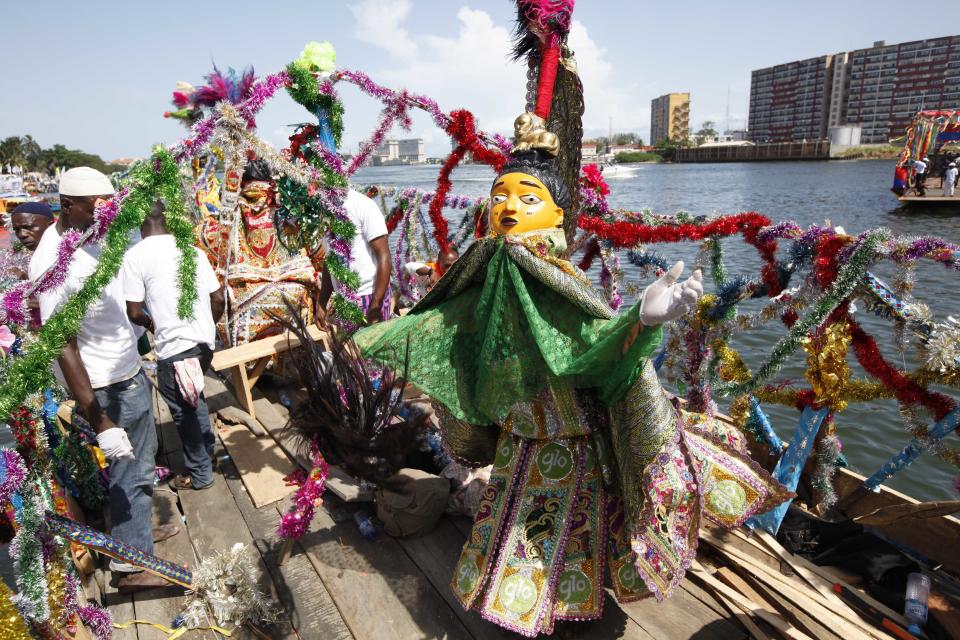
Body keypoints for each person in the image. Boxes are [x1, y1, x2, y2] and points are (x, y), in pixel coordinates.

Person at [354, 114, 789, 635]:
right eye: (499, 196)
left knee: (573, 522)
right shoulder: (485, 267)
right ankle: (532, 603)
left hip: (573, 432)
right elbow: (452, 322)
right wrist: (388, 335)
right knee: (525, 524)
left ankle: (565, 603)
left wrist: (642, 321)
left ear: (558, 215)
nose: (508, 206)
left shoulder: (562, 278)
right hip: (521, 431)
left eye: (527, 198)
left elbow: (598, 347)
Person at [29, 167, 175, 593]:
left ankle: (134, 535)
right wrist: (97, 417)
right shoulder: (52, 263)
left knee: (142, 460)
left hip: (129, 367)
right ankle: (132, 569)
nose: (105, 211)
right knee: (129, 467)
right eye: (97, 203)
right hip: (106, 385)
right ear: (68, 204)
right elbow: (62, 343)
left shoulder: (94, 230)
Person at [123, 201, 225, 491]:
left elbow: (134, 313)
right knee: (194, 398)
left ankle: (201, 473)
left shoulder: (135, 257)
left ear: (139, 222)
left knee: (183, 410)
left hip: (175, 348)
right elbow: (218, 299)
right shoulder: (192, 251)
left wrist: (156, 326)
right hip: (204, 344)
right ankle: (208, 454)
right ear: (168, 219)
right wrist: (206, 326)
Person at [317, 189, 392, 324]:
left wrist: (376, 304)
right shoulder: (325, 211)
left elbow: (384, 256)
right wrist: (322, 302)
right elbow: (330, 260)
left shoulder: (362, 204)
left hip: (369, 296)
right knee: (349, 345)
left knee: (375, 345)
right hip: (343, 300)